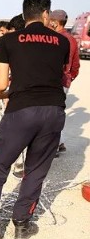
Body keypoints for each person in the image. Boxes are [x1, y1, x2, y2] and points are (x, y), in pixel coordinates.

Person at [0, 0, 69, 239]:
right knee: (36, 169)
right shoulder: (63, 42)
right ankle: (22, 224)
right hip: (54, 111)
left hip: (21, 111)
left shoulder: (9, 41)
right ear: (46, 14)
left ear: (24, 16)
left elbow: (1, 83)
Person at [49, 9, 80, 154]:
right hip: (64, 81)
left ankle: (54, 147)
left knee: (52, 115)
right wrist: (70, 78)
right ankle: (60, 142)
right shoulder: (71, 38)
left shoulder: (56, 39)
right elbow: (75, 65)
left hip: (56, 81)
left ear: (54, 23)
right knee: (58, 112)